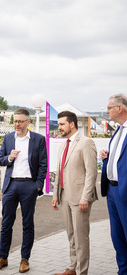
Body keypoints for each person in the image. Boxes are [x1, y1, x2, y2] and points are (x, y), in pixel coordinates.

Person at [0, 108, 47, 273]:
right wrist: (9, 158)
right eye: (15, 121)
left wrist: (38, 185)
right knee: (6, 223)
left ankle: (25, 259)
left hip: (29, 186)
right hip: (11, 185)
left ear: (28, 122)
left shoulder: (38, 139)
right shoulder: (8, 138)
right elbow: (0, 159)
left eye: (20, 121)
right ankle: (3, 257)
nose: (17, 124)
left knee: (27, 224)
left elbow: (43, 164)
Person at [51, 111, 98, 275]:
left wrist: (86, 196)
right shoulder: (64, 144)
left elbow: (92, 172)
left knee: (81, 237)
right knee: (71, 235)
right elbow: (59, 170)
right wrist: (55, 194)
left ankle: (82, 271)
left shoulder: (86, 142)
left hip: (80, 197)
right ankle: (72, 268)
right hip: (64, 196)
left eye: (62, 124)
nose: (60, 127)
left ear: (72, 124)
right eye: (58, 124)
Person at [100, 94, 127, 275]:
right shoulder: (118, 130)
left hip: (124, 191)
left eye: (110, 107)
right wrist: (107, 158)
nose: (107, 111)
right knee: (117, 236)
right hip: (112, 190)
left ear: (120, 108)